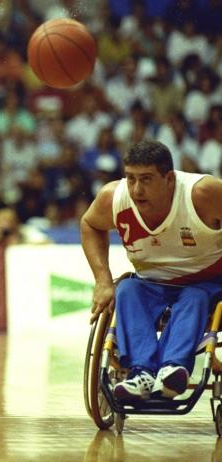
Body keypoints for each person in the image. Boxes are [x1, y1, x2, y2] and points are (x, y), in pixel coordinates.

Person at [80, 139, 222, 401]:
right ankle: (141, 373)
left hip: (207, 281)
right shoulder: (114, 197)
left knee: (194, 297)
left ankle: (173, 368)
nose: (136, 189)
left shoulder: (203, 193)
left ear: (169, 179)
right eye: (130, 178)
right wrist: (102, 280)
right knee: (127, 290)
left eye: (146, 179)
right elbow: (90, 224)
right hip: (151, 281)